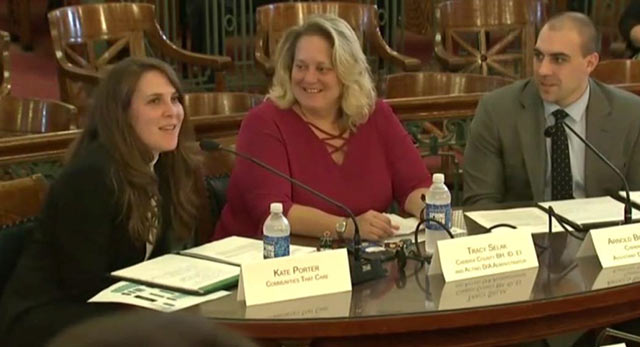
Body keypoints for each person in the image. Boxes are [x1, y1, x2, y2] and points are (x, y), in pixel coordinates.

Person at [0, 57, 202, 346]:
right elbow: (85, 284)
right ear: (121, 114)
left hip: (108, 310)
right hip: (47, 320)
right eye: (155, 101)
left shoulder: (164, 166)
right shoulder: (90, 176)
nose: (172, 112)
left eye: (175, 99)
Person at [214, 15, 432, 241]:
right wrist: (347, 227)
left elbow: (415, 185)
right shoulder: (263, 123)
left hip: (357, 260)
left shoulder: (375, 115)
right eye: (301, 66)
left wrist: (431, 212)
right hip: (263, 263)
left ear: (346, 72)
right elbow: (273, 212)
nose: (309, 78)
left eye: (322, 69)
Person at [463, 12, 640, 206]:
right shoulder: (496, 111)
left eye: (559, 59)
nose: (543, 70)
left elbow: (636, 201)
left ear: (590, 63)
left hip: (600, 232)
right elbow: (480, 203)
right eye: (539, 56)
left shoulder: (630, 115)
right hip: (522, 232)